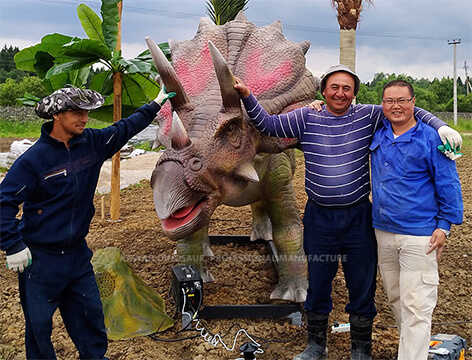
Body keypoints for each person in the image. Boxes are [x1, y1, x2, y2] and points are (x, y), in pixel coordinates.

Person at [233, 64, 462, 360]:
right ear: (324, 91)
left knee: (362, 283)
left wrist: (441, 126)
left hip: (358, 218)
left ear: (355, 93)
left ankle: (361, 348)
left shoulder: (369, 115)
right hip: (319, 218)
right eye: (334, 87)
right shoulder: (306, 117)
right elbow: (269, 125)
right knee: (317, 281)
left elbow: (407, 111)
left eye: (347, 88)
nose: (340, 93)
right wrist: (248, 95)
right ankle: (316, 345)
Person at [0, 85, 174, 359]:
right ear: (57, 115)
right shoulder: (34, 160)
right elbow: (4, 202)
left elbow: (125, 128)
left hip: (77, 256)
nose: (84, 118)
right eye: (76, 112)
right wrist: (12, 245)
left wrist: (156, 103)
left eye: (86, 112)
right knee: (39, 327)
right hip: (41, 261)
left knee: (90, 316)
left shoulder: (92, 144)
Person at [370, 80, 463, 359]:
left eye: (402, 101)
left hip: (419, 234)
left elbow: (448, 184)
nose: (396, 106)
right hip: (383, 231)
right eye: (389, 101)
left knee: (417, 303)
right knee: (397, 298)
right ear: (382, 104)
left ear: (414, 103)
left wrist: (444, 227)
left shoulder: (433, 139)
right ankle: (413, 350)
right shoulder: (379, 132)